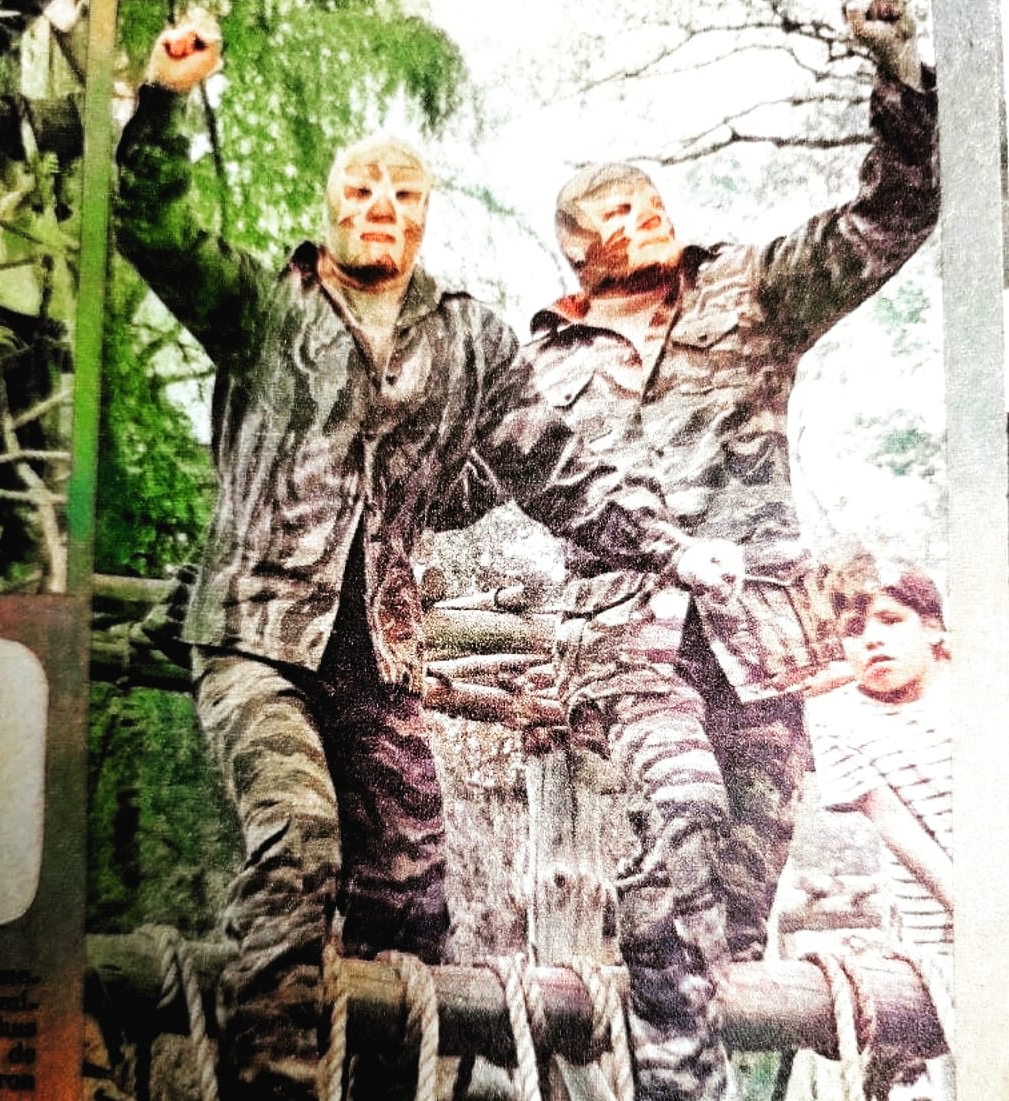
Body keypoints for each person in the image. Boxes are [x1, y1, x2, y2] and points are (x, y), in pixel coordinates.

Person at [114, 12, 744, 1101]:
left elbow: (556, 470)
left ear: (423, 215)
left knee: (409, 898)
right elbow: (154, 224)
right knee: (299, 840)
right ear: (330, 211)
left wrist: (672, 550)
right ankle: (272, 1086)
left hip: (378, 655)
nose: (381, 208)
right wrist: (166, 102)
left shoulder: (468, 341)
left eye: (403, 194)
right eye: (361, 191)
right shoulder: (263, 309)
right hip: (258, 637)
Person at [436, 2, 938, 1098]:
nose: (648, 215)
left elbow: (893, 217)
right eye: (619, 210)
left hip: (763, 648)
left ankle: (688, 1074)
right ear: (577, 251)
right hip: (625, 645)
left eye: (653, 200)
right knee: (681, 806)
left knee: (733, 919)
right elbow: (448, 488)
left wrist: (899, 74)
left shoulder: (750, 292)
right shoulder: (539, 368)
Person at [804, 553, 952, 1099]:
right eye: (854, 629)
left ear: (932, 627)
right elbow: (896, 827)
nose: (872, 639)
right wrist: (983, 918)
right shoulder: (836, 716)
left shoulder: (976, 688)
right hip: (944, 929)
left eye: (892, 620)